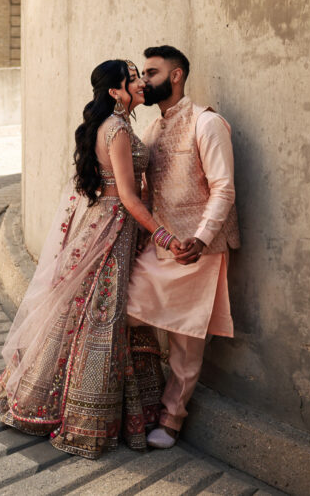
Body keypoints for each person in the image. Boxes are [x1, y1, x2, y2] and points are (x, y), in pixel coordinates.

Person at [0, 59, 182, 458]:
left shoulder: (118, 127)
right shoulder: (116, 131)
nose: (141, 85)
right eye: (133, 80)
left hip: (111, 224)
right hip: (113, 228)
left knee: (90, 311)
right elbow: (128, 198)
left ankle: (117, 406)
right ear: (115, 92)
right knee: (101, 315)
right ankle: (81, 416)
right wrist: (163, 234)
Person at [127, 45, 240, 449]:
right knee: (124, 309)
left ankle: (172, 419)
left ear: (176, 76)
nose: (144, 80)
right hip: (158, 248)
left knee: (185, 341)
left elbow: (223, 187)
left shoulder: (206, 123)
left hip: (198, 251)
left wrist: (202, 237)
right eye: (142, 73)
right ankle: (132, 402)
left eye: (152, 72)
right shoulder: (153, 130)